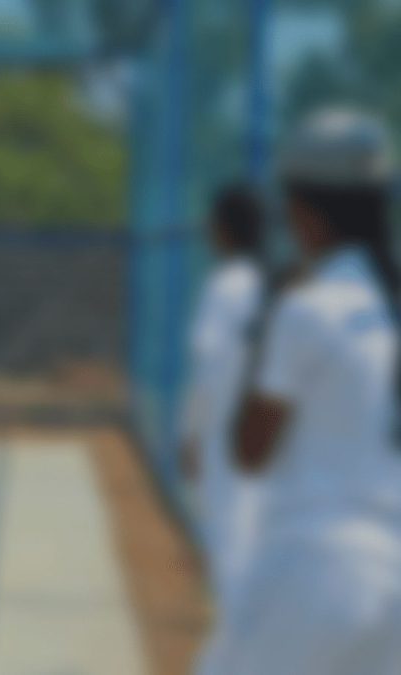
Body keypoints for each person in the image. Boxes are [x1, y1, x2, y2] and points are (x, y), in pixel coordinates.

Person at [200, 108, 401, 674]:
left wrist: (268, 320)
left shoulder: (309, 307)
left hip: (316, 566)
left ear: (307, 215)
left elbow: (250, 450)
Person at [180, 184, 266, 621]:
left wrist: (191, 432)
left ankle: (236, 633)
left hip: (224, 432)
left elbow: (208, 368)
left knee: (227, 539)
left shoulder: (225, 286)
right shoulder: (271, 284)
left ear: (225, 228)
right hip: (266, 434)